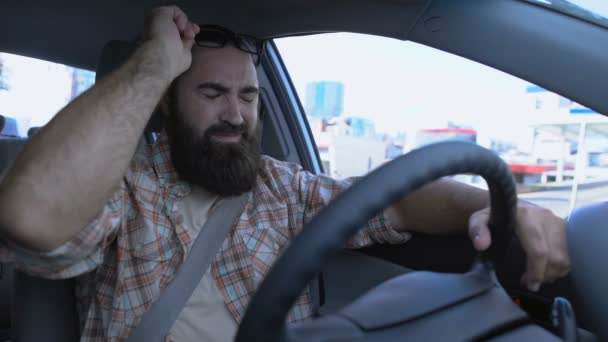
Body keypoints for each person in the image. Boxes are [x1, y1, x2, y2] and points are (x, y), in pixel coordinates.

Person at [0, 5, 570, 342]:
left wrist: (496, 207)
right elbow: (31, 217)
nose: (236, 114)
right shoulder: (125, 181)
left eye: (248, 96)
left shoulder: (283, 186)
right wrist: (153, 63)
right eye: (211, 92)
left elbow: (393, 201)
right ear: (168, 103)